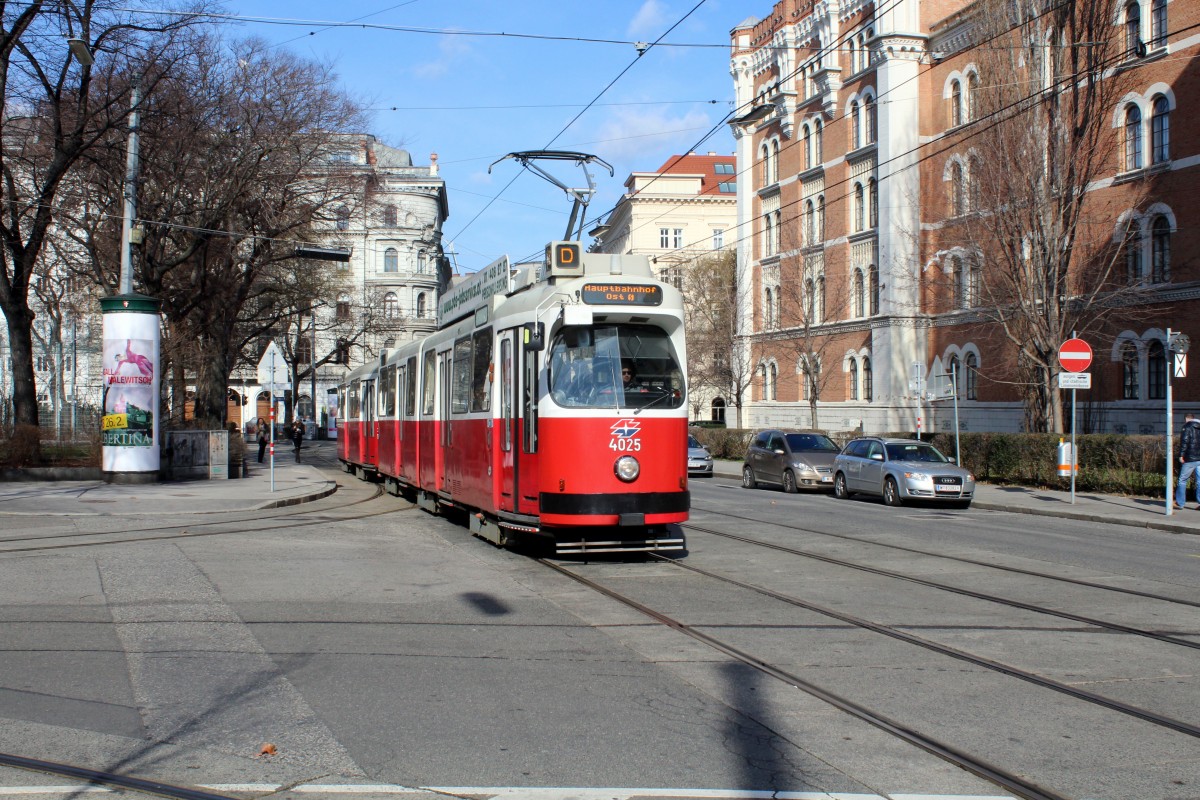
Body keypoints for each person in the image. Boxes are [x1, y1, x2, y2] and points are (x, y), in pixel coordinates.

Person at [1176, 412, 1200, 509]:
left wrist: (1181, 455)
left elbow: (1185, 441)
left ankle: (1180, 503)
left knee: (1182, 480)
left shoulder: (1187, 427)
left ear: (1186, 419)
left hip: (1190, 458)